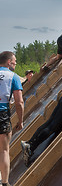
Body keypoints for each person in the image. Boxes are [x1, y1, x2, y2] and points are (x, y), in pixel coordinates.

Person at [0, 51, 24, 186]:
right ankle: (4, 182)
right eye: (14, 61)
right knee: (3, 150)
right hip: (2, 113)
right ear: (9, 62)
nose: (15, 63)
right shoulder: (12, 76)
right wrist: (20, 121)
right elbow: (19, 102)